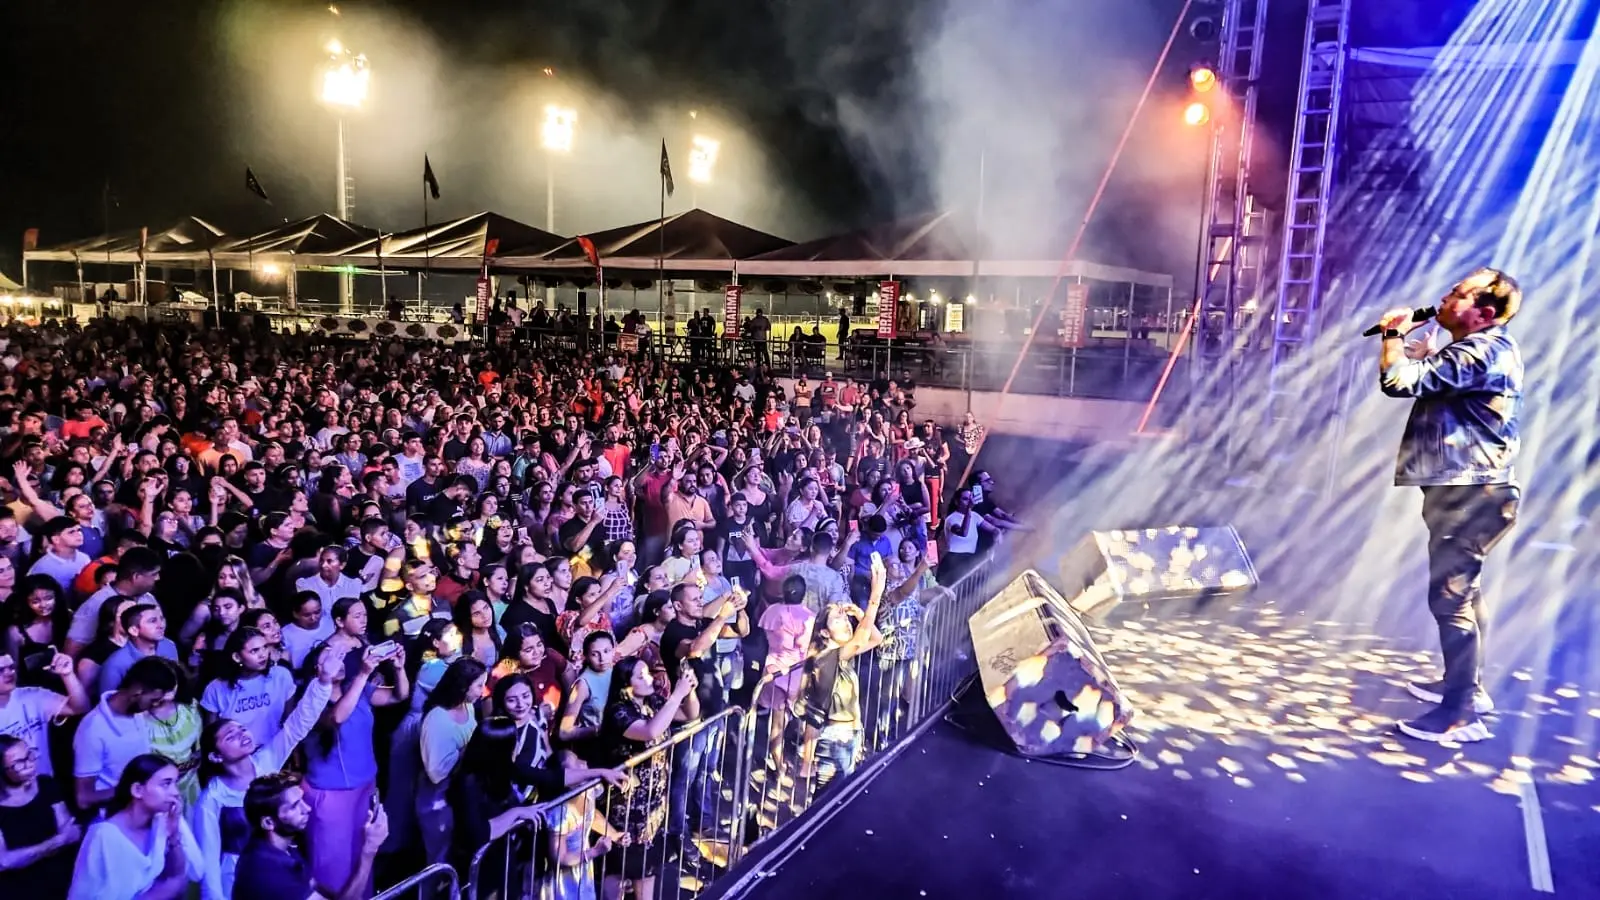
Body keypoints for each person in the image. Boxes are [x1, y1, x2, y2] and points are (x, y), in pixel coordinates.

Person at [1375, 267, 1524, 743]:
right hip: (1475, 492)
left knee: (1451, 598)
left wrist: (1393, 335)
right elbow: (1444, 387)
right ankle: (1467, 690)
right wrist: (1429, 357)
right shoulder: (1484, 348)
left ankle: (1459, 716)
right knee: (1465, 593)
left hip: (1470, 496)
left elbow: (1397, 381)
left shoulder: (1480, 350)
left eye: (1459, 294)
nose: (1445, 296)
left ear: (1484, 313)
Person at [190, 644, 340, 900]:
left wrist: (323, 682)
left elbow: (297, 725)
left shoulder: (266, 761)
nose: (242, 734)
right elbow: (209, 863)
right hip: (239, 881)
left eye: (241, 729)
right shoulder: (212, 798)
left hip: (281, 867)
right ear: (215, 756)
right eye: (230, 736)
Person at [229, 771, 388, 900]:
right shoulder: (270, 872)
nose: (307, 809)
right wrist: (369, 849)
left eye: (302, 800)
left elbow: (313, 885)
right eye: (294, 806)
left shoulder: (278, 845)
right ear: (268, 822)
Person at [66, 753, 204, 900]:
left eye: (175, 783)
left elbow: (189, 873)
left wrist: (174, 834)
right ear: (137, 790)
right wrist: (159, 894)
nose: (175, 792)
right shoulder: (103, 836)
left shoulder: (163, 820)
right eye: (166, 784)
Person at [0, 733, 80, 896]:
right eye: (19, 763)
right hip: (21, 891)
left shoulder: (46, 784)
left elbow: (71, 833)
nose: (30, 764)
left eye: (29, 755)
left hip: (63, 882)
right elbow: (4, 861)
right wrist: (56, 841)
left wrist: (28, 855)